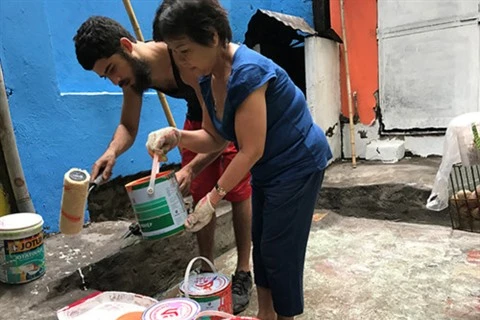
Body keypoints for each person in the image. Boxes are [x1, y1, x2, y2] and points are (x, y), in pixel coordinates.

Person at [148, 1, 333, 319]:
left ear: (214, 35)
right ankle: (265, 314)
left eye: (184, 50)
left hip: (297, 162)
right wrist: (177, 135)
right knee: (261, 245)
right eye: (174, 53)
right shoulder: (206, 77)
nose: (180, 62)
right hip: (268, 168)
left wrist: (213, 196)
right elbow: (215, 138)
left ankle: (285, 316)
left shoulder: (248, 72)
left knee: (279, 251)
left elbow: (250, 150)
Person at [73, 16, 253, 314]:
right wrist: (111, 152)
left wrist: (191, 166)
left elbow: (220, 136)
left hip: (229, 116)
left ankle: (243, 272)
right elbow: (128, 126)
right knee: (199, 193)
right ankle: (205, 271)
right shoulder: (134, 74)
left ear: (126, 46)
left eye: (112, 70)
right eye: (106, 77)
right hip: (198, 120)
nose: (115, 81)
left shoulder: (183, 58)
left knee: (237, 190)